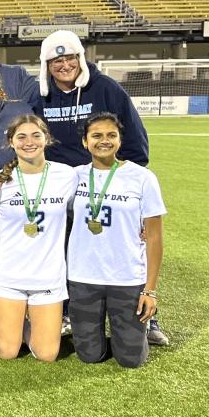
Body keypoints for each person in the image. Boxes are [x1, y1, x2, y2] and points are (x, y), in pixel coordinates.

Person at [68, 113, 165, 368]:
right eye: (96, 135)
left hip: (127, 278)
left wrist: (150, 290)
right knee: (89, 356)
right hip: (83, 277)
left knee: (131, 360)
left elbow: (154, 237)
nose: (104, 141)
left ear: (120, 140)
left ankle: (129, 338)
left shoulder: (142, 177)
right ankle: (107, 337)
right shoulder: (72, 177)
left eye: (111, 135)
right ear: (84, 142)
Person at [0, 115, 78, 362]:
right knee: (7, 352)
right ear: (11, 142)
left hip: (48, 276)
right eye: (21, 137)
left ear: (46, 138)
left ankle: (28, 326)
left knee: (47, 354)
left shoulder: (67, 176)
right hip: (9, 276)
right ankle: (1, 326)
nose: (29, 142)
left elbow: (90, 202)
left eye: (36, 135)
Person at [38, 30, 149, 166]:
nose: (66, 66)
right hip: (57, 179)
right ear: (47, 65)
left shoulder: (106, 88)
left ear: (80, 58)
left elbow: (133, 133)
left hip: (100, 176)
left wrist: (136, 169)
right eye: (58, 61)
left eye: (71, 58)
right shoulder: (39, 95)